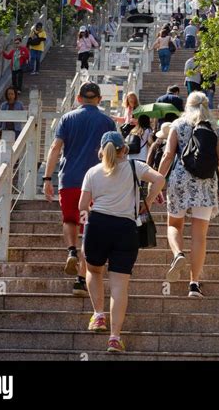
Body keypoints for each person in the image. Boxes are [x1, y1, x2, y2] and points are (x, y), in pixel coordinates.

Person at [79, 131, 164, 353]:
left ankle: (98, 315)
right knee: (119, 286)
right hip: (126, 229)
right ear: (124, 149)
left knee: (94, 271)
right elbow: (160, 179)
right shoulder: (136, 167)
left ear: (101, 150)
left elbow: (82, 205)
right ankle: (115, 338)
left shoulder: (92, 172)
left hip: (97, 225)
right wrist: (148, 202)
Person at [43, 82, 116, 296]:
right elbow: (116, 155)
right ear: (99, 99)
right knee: (87, 230)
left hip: (70, 179)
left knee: (69, 220)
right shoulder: (107, 122)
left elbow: (55, 147)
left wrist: (47, 178)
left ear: (78, 98)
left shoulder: (67, 118)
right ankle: (80, 280)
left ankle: (71, 251)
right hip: (96, 183)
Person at [157, 91, 219, 298]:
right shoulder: (216, 129)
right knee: (200, 236)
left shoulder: (178, 125)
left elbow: (167, 155)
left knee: (174, 225)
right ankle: (194, 284)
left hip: (180, 180)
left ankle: (178, 254)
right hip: (206, 184)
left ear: (187, 106)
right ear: (207, 106)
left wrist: (156, 183)